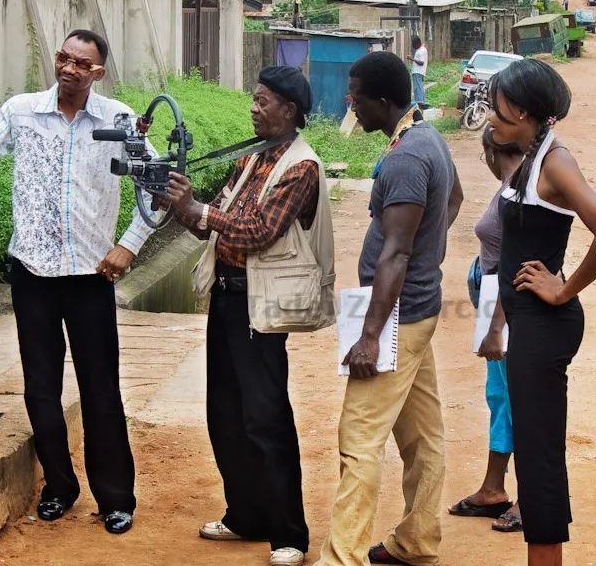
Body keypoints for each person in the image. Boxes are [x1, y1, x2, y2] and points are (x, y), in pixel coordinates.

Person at [0, 30, 150, 535]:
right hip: (32, 272)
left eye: (81, 63)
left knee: (100, 389)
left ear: (98, 73)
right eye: (63, 58)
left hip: (91, 275)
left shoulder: (119, 120)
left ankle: (116, 498)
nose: (68, 68)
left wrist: (129, 244)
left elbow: (155, 186)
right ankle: (59, 486)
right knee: (41, 388)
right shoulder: (22, 110)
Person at [162, 66, 335, 566]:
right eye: (254, 100)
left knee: (266, 418)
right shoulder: (252, 157)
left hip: (261, 305)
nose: (254, 109)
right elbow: (214, 225)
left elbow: (257, 232)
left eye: (263, 101)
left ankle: (288, 534)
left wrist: (197, 209)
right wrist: (178, 206)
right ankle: (245, 515)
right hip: (228, 296)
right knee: (226, 414)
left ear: (290, 110)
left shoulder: (301, 166)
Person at [315, 51, 463, 566]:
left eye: (356, 95)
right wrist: (428, 249)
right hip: (416, 310)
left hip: (397, 318)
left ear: (382, 100)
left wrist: (371, 335)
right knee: (423, 435)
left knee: (359, 438)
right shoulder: (427, 137)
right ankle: (417, 541)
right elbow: (454, 199)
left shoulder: (405, 159)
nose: (350, 102)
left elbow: (396, 253)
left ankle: (342, 558)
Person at [480, 60, 596, 566]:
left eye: (496, 106)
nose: (489, 117)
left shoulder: (556, 161)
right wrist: (499, 321)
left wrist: (563, 291)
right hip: (527, 323)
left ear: (523, 111)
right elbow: (513, 250)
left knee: (538, 457)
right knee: (534, 450)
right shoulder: (530, 156)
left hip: (546, 326)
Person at [448, 126, 524, 534]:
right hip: (495, 302)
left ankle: (531, 496)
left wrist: (497, 325)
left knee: (521, 400)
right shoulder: (511, 187)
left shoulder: (522, 191)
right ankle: (494, 488)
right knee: (500, 396)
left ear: (492, 152)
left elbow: (516, 263)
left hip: (507, 307)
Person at [408, 36, 428, 108]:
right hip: (418, 71)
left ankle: (420, 102)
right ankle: (422, 102)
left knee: (417, 88)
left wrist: (411, 59)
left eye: (414, 44)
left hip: (418, 72)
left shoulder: (421, 51)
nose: (413, 46)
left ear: (418, 43)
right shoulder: (421, 49)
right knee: (420, 87)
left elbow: (421, 62)